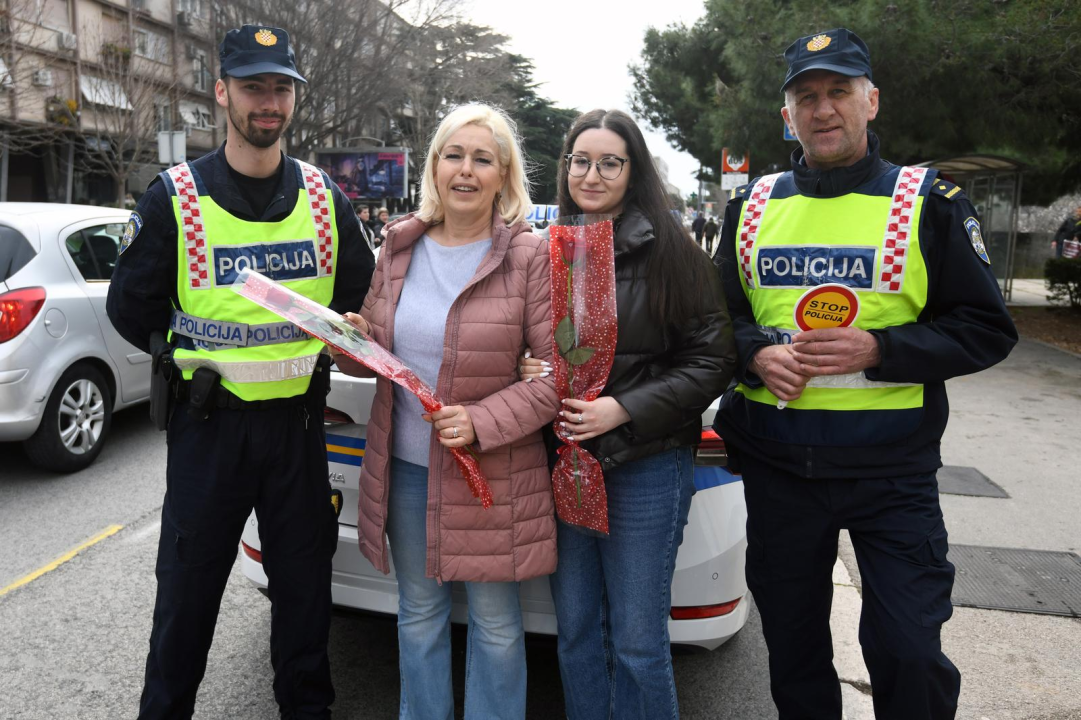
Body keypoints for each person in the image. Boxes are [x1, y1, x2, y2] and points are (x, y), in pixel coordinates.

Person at [713, 28, 1017, 720]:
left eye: (838, 92)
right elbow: (715, 324)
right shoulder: (751, 207)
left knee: (908, 651)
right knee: (792, 654)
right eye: (805, 96)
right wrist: (755, 353)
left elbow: (985, 330)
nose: (823, 110)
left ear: (870, 101)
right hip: (778, 467)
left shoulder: (927, 201)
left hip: (891, 477)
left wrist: (880, 350)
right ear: (785, 115)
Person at [105, 25, 375, 719]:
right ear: (221, 92)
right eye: (253, 87)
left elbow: (357, 297)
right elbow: (131, 307)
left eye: (280, 88)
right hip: (208, 432)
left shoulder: (326, 200)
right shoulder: (176, 199)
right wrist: (186, 359)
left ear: (293, 101)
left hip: (296, 431)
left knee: (305, 609)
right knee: (184, 612)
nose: (268, 102)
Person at [332, 103, 559, 720]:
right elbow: (376, 358)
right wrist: (350, 341)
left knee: (494, 624)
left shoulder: (529, 257)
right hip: (405, 468)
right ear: (434, 166)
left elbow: (555, 379)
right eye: (453, 155)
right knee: (420, 613)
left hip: (492, 474)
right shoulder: (399, 248)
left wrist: (480, 421)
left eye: (482, 159)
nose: (466, 170)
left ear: (502, 174)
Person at [519, 109, 735, 719]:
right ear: (565, 168)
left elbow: (713, 361)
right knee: (578, 633)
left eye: (609, 162)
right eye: (580, 161)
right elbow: (521, 341)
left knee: (640, 643)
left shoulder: (676, 255)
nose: (592, 174)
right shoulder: (544, 252)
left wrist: (622, 408)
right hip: (564, 463)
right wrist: (521, 366)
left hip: (645, 464)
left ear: (632, 170)